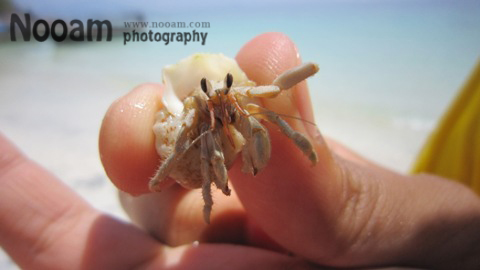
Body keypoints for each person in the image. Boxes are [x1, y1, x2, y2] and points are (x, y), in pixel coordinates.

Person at [1, 32, 479, 269]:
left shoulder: (233, 97)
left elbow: (268, 106)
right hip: (192, 137)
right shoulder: (196, 106)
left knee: (269, 119)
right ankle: (208, 197)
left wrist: (301, 143)